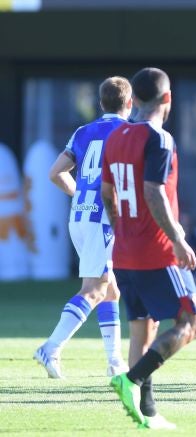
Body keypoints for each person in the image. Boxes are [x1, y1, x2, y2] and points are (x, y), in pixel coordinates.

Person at [101, 67, 196, 429]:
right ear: (167, 98)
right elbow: (153, 191)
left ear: (134, 99)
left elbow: (108, 193)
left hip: (124, 252)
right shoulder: (159, 138)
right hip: (156, 253)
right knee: (191, 322)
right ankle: (131, 380)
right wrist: (177, 239)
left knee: (142, 331)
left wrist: (122, 230)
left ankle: (148, 413)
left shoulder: (115, 137)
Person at [34, 77, 132, 379]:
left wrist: (80, 195)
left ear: (101, 103)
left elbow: (55, 173)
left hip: (79, 216)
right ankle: (51, 347)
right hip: (102, 219)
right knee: (94, 289)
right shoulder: (128, 133)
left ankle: (115, 362)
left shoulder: (83, 132)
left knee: (110, 289)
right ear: (129, 103)